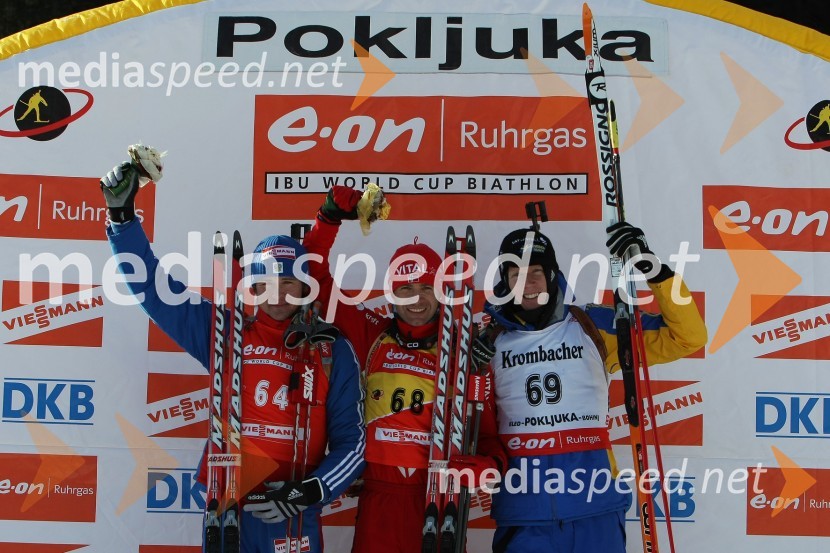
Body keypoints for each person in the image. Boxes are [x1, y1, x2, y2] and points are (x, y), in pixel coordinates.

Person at [100, 160, 365, 553]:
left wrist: (311, 491)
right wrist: (122, 220)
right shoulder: (225, 331)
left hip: (292, 513)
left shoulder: (332, 349)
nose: (278, 294)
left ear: (306, 287)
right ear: (251, 288)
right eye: (265, 283)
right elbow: (154, 290)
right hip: (227, 506)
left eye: (289, 282)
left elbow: (353, 443)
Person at [451, 223, 708, 553]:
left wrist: (654, 269)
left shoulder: (594, 325)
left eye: (536, 272)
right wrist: (469, 367)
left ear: (552, 274)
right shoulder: (487, 341)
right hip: (525, 514)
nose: (527, 284)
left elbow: (688, 337)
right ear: (505, 281)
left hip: (595, 508)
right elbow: (472, 422)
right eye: (516, 274)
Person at [303, 186, 498, 553]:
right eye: (405, 288)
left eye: (426, 287)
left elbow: (488, 437)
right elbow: (314, 279)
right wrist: (327, 219)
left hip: (438, 501)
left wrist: (486, 466)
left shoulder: (462, 349)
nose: (417, 299)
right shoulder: (371, 334)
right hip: (379, 498)